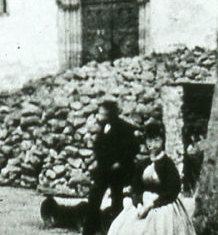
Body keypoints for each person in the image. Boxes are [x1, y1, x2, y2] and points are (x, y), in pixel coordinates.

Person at [107, 121, 196, 235]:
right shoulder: (143, 164)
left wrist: (153, 203)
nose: (153, 145)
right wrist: (139, 203)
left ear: (162, 141)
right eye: (149, 141)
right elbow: (136, 187)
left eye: (156, 141)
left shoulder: (167, 164)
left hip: (163, 204)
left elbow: (173, 190)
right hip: (143, 202)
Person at [83, 100, 138, 235]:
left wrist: (120, 163)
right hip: (103, 171)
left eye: (102, 114)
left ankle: (117, 231)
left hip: (118, 172)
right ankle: (90, 230)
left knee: (117, 201)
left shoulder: (126, 128)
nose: (99, 116)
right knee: (94, 198)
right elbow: (99, 147)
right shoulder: (104, 127)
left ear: (110, 114)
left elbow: (133, 149)